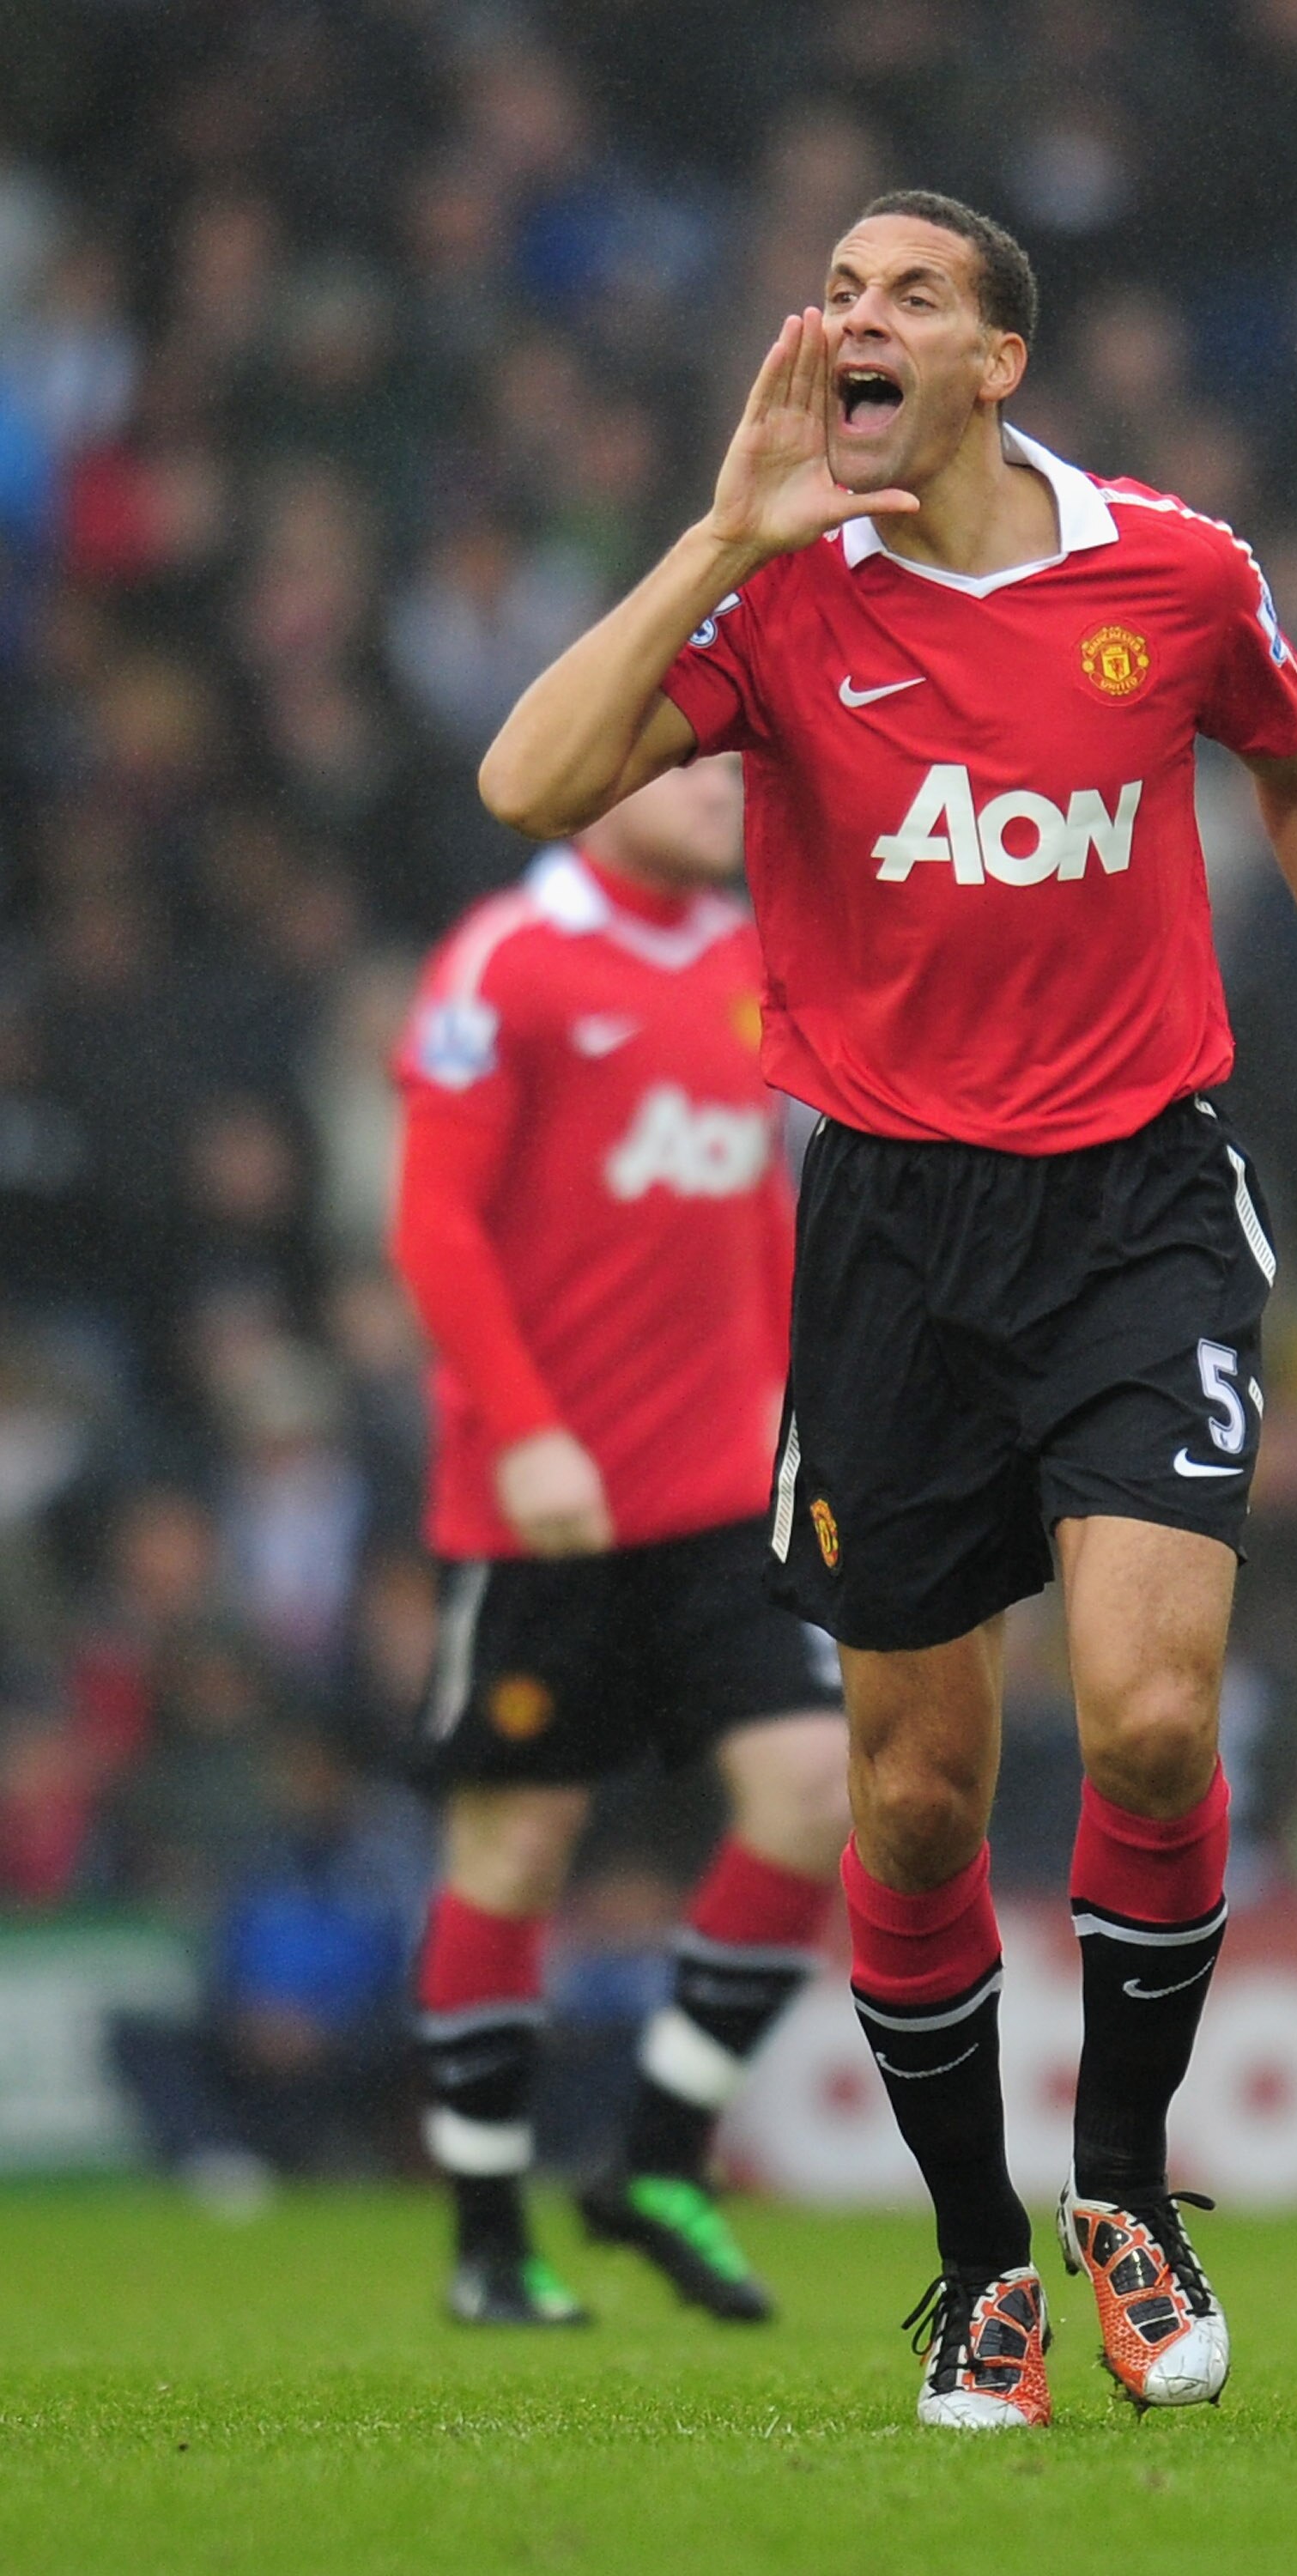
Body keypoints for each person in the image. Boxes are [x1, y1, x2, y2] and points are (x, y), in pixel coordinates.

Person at [479, 191, 1297, 2427]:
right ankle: (974, 2260)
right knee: (914, 1803)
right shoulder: (788, 603)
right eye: (834, 289)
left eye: (909, 291)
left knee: (1150, 1716)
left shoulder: (1171, 573)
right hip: (893, 1240)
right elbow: (527, 783)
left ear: (1000, 358)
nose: (855, 317)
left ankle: (1124, 2187)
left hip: (1137, 1209)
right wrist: (720, 534)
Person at [391, 755, 848, 2329]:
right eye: (685, 756)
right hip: (543, 1508)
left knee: (812, 1796)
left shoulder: (748, 962)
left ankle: (656, 2155)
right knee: (515, 1846)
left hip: (725, 1493)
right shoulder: (505, 965)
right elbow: (433, 1225)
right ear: (596, 784)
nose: (725, 781)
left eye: (734, 755)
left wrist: (807, 1402)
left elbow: (762, 1215)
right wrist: (524, 1431)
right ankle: (484, 2241)